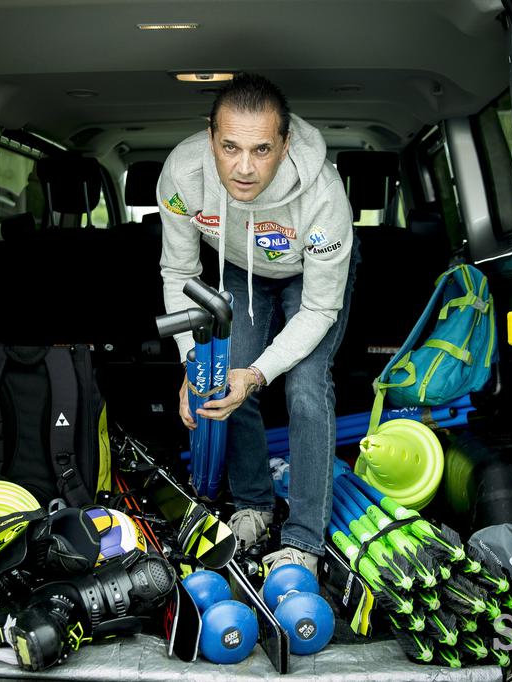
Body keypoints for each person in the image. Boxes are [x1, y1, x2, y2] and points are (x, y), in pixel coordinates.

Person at [157, 73, 359, 576]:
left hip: (310, 279)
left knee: (307, 388)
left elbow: (318, 308)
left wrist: (258, 375)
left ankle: (304, 542)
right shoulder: (183, 176)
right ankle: (253, 506)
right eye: (230, 147)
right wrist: (193, 363)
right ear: (210, 136)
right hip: (241, 266)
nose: (244, 168)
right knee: (227, 374)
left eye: (262, 150)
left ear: (285, 144)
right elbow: (180, 273)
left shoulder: (324, 194)